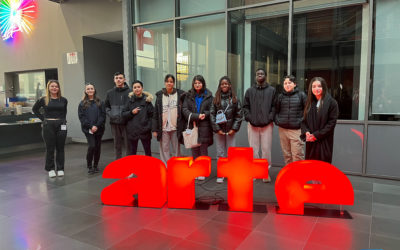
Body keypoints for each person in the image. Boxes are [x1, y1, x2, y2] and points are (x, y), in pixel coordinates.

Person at [243, 68, 276, 182]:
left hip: (267, 125)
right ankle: (255, 171)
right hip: (252, 125)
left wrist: (270, 118)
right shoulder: (249, 91)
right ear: (255, 77)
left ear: (265, 76)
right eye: (258, 74)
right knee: (254, 149)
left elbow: (274, 107)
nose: (260, 75)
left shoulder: (272, 90)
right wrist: (250, 118)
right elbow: (245, 107)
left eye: (262, 74)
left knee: (266, 149)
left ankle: (265, 172)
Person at [32, 80, 68, 178]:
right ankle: (50, 169)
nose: (54, 88)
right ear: (48, 88)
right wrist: (43, 119)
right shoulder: (43, 99)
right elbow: (34, 109)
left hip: (61, 125)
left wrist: (64, 121)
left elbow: (64, 112)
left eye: (56, 86)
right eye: (52, 86)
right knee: (50, 148)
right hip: (48, 125)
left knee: (60, 148)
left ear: (59, 88)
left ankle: (60, 168)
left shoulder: (63, 100)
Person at [210, 76, 242, 183]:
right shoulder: (216, 99)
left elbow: (239, 115)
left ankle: (231, 173)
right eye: (222, 84)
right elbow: (212, 115)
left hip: (230, 131)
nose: (224, 85)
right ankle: (221, 173)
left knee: (231, 153)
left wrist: (234, 129)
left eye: (226, 84)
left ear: (230, 85)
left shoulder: (235, 99)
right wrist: (217, 129)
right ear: (220, 86)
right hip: (219, 131)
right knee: (220, 153)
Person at [182, 75, 213, 180]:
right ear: (193, 84)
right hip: (192, 124)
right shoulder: (189, 95)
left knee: (203, 149)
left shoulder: (208, 96)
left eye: (199, 83)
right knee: (194, 148)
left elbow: (212, 110)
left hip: (205, 125)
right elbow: (185, 110)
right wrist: (196, 116)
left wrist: (205, 114)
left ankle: (203, 171)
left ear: (203, 83)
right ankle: (196, 170)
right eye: (195, 83)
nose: (197, 85)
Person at [301, 77, 339, 163]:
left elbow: (331, 124)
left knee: (323, 168)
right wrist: (306, 132)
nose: (316, 89)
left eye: (319, 86)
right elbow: (304, 121)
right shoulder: (309, 103)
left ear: (324, 87)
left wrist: (316, 135)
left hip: (324, 141)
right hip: (311, 141)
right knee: (311, 168)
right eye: (313, 86)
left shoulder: (332, 103)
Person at [152, 74, 186, 164]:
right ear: (165, 83)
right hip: (163, 127)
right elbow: (155, 114)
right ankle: (166, 166)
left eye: (171, 82)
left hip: (176, 127)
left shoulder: (180, 94)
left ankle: (176, 166)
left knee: (176, 149)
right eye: (167, 81)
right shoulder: (159, 96)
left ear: (174, 83)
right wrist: (154, 129)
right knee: (164, 148)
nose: (169, 83)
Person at [274, 75, 307, 165]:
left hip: (296, 130)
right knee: (287, 154)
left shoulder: (301, 95)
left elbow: (307, 111)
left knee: (297, 155)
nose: (287, 85)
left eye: (289, 83)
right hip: (283, 130)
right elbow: (275, 110)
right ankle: (290, 176)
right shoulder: (280, 96)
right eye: (285, 83)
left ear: (295, 84)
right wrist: (278, 120)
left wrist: (301, 122)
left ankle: (299, 177)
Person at [78, 83, 106, 174]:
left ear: (94, 90)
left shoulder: (100, 102)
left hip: (99, 128)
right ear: (85, 91)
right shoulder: (82, 104)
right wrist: (91, 126)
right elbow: (82, 117)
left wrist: (96, 126)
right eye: (88, 89)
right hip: (88, 129)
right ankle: (89, 166)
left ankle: (96, 165)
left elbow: (103, 115)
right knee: (92, 146)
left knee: (97, 147)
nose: (90, 90)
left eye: (91, 88)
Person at [123, 80, 154, 156]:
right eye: (135, 87)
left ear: (142, 88)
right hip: (133, 131)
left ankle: (149, 167)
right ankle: (133, 168)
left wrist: (148, 126)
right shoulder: (129, 101)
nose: (137, 89)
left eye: (138, 87)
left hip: (145, 131)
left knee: (148, 152)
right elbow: (123, 114)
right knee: (132, 153)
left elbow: (152, 115)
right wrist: (131, 112)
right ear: (132, 89)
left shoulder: (147, 101)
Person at [105, 72, 131, 160]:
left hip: (127, 122)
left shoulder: (130, 92)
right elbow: (106, 107)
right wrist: (111, 114)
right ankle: (118, 165)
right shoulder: (110, 93)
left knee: (129, 145)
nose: (118, 80)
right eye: (116, 78)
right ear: (114, 80)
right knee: (117, 145)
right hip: (114, 123)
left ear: (124, 79)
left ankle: (129, 166)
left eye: (120, 78)